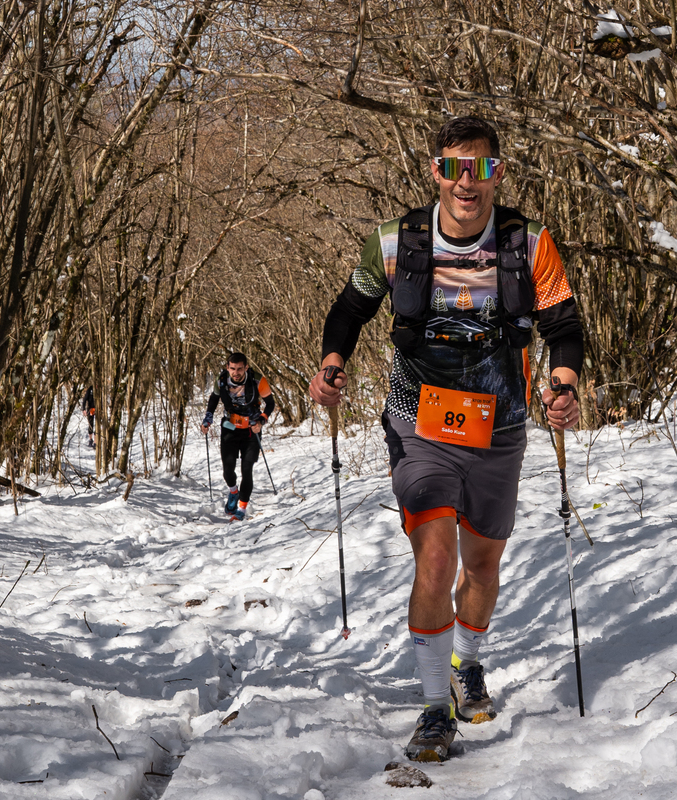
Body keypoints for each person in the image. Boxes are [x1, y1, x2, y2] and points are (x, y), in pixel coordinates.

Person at [308, 116, 583, 762]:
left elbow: (564, 325)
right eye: (455, 167)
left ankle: (466, 661)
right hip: (418, 423)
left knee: (482, 565)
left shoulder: (529, 244)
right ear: (436, 171)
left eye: (481, 168)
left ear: (498, 174)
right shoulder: (394, 243)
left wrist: (564, 383)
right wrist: (332, 364)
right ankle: (435, 707)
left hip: (500, 426)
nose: (467, 182)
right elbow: (349, 310)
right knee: (435, 558)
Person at [201, 352, 275, 520]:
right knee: (228, 470)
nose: (236, 372)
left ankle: (241, 509)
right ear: (228, 367)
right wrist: (208, 418)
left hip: (251, 429)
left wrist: (261, 421)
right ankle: (234, 491)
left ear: (246, 368)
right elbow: (214, 399)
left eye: (240, 369)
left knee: (247, 469)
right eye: (233, 368)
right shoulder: (221, 380)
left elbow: (270, 404)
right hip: (230, 428)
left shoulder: (257, 380)